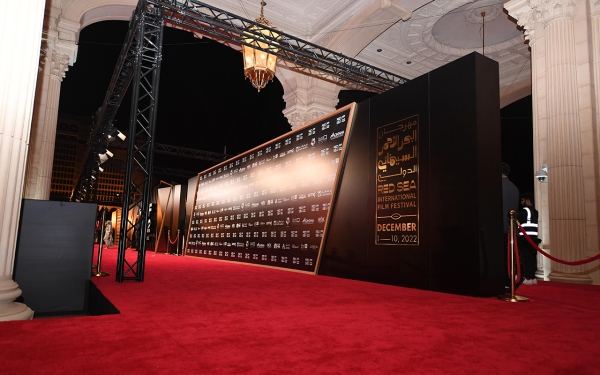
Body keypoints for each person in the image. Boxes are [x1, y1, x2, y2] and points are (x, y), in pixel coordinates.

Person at [502, 162, 519, 290]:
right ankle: (509, 281)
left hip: (498, 229)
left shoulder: (497, 186)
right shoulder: (514, 188)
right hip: (510, 229)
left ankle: (503, 281)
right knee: (509, 257)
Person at [517, 192, 539, 285]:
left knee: (526, 258)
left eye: (523, 200)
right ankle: (532, 277)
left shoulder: (524, 211)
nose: (521, 202)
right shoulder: (535, 211)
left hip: (524, 238)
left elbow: (517, 222)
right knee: (532, 258)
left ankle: (528, 277)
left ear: (528, 200)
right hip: (533, 238)